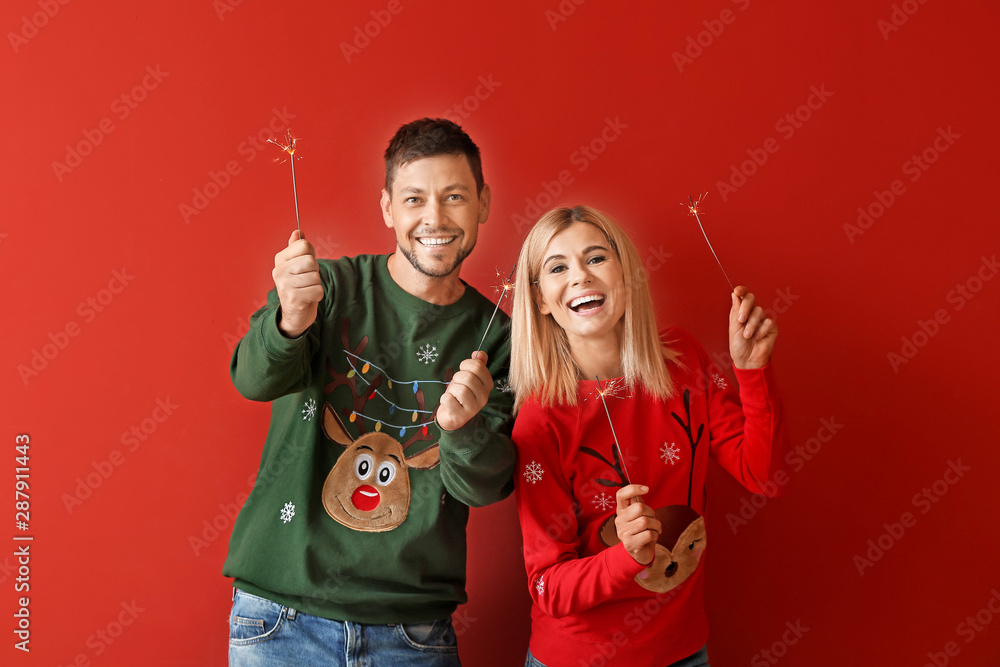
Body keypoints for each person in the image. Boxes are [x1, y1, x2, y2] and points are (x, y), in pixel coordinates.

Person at [224, 118, 516, 666]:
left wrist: (464, 427)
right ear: (387, 209)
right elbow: (251, 379)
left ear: (483, 203)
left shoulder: (497, 336)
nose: (435, 218)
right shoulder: (327, 289)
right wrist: (288, 322)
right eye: (414, 199)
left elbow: (485, 487)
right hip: (280, 620)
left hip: (412, 633)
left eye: (454, 197)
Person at [509, 205, 789, 667]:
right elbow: (546, 587)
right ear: (541, 299)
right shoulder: (541, 420)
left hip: (683, 652)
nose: (580, 276)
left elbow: (766, 476)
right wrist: (625, 557)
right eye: (557, 267)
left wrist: (752, 370)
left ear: (626, 273)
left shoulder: (683, 359)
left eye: (596, 258)